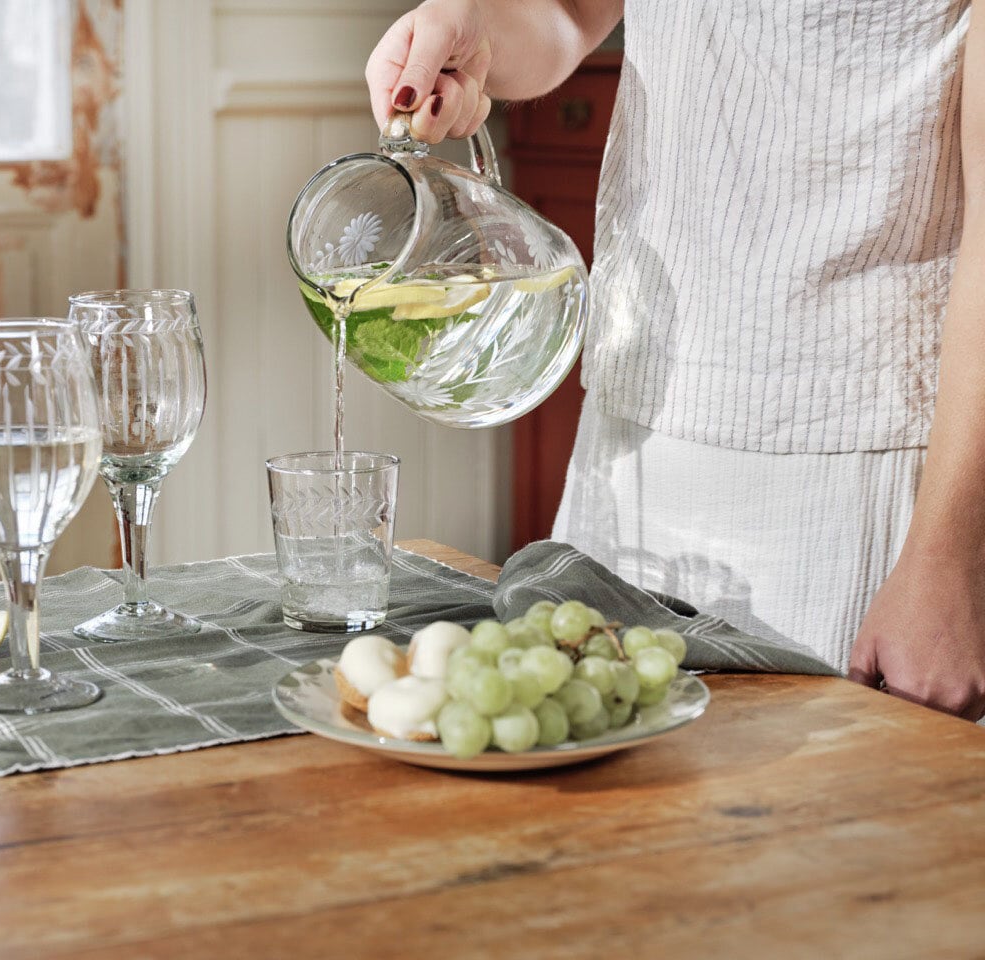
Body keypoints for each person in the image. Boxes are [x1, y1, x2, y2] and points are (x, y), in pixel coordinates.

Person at [365, 0, 985, 721]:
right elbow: (567, 16)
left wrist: (949, 559)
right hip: (631, 446)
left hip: (864, 485)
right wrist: (474, 27)